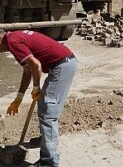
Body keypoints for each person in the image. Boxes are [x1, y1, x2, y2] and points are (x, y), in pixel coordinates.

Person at [0, 30, 78, 167]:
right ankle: (46, 140)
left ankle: (49, 161)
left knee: (48, 112)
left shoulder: (12, 41)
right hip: (64, 63)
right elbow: (28, 70)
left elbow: (36, 65)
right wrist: (19, 96)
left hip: (63, 65)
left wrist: (36, 87)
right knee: (45, 107)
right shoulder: (14, 37)